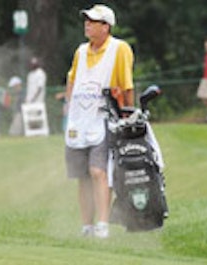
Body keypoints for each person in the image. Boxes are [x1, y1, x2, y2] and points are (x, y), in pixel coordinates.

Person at [65, 4, 134, 238]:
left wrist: (127, 115)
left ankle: (102, 226)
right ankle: (87, 226)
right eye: (86, 20)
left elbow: (126, 86)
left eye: (93, 21)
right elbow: (72, 81)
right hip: (78, 121)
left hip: (103, 119)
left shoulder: (119, 49)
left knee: (98, 171)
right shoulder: (81, 51)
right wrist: (68, 108)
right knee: (82, 175)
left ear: (106, 26)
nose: (87, 24)